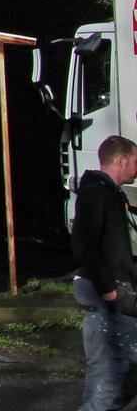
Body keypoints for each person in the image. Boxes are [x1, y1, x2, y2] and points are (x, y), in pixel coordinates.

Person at [75, 134, 137, 410]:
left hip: (112, 293)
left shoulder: (107, 192)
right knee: (108, 377)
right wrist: (107, 287)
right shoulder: (96, 193)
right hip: (104, 295)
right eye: (135, 162)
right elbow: (84, 245)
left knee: (116, 375)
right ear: (121, 160)